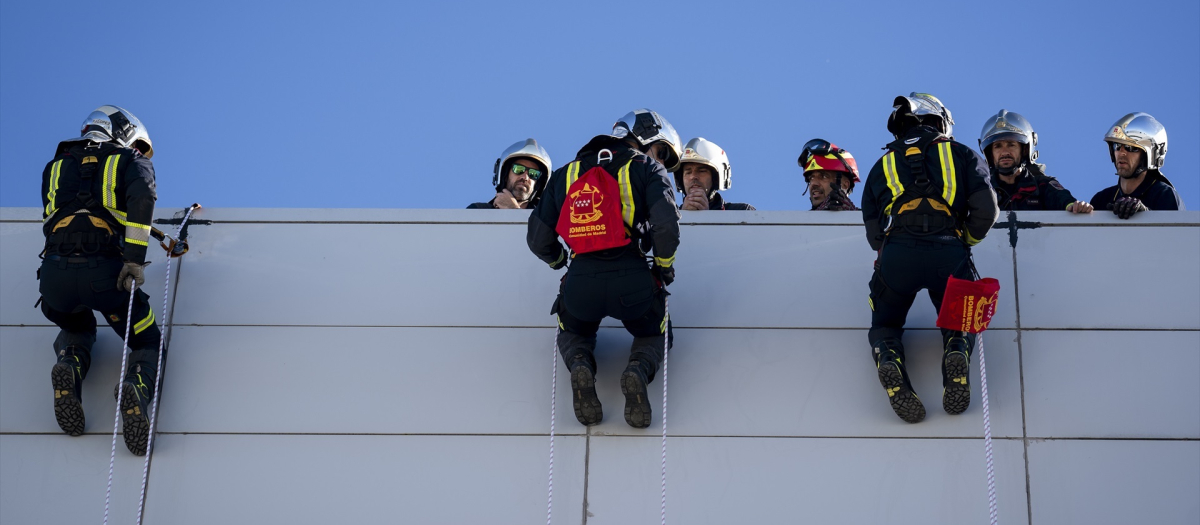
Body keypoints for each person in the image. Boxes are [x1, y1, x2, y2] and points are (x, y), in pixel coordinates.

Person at [527, 109, 681, 428]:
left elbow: (537, 237)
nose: (662, 160)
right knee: (657, 328)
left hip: (581, 283)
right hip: (634, 282)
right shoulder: (647, 167)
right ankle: (637, 369)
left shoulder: (566, 174)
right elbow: (666, 224)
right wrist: (664, 268)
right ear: (645, 139)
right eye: (662, 151)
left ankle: (580, 362)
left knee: (573, 328)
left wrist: (561, 262)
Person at [860, 93, 999, 424]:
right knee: (960, 316)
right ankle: (955, 350)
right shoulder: (963, 154)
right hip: (948, 250)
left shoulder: (881, 165)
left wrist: (893, 249)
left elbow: (873, 234)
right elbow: (987, 210)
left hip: (897, 253)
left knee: (885, 322)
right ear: (940, 121)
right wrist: (964, 239)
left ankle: (889, 356)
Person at [39, 105, 160, 455]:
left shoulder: (56, 166)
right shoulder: (130, 161)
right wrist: (134, 259)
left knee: (76, 325)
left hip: (54, 280)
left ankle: (70, 364)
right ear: (123, 131)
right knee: (147, 341)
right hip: (105, 275)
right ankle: (134, 388)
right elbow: (142, 198)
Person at [978, 110, 1092, 213]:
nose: (1004, 152)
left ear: (1025, 150)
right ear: (990, 154)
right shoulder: (982, 189)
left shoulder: (1042, 186)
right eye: (997, 146)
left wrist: (1075, 206)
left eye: (1011, 145)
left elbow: (1063, 199)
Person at [1090, 112, 1184, 218]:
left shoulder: (1164, 195)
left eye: (1130, 148)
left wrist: (1145, 215)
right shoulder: (1101, 199)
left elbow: (1175, 232)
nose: (1121, 153)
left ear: (1149, 156)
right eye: (1117, 146)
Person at [468, 138, 553, 209]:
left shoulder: (547, 221)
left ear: (538, 184)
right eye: (519, 169)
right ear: (504, 176)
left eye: (534, 174)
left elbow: (535, 229)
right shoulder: (478, 211)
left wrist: (513, 210)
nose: (525, 177)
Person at [677, 137, 754, 210]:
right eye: (688, 172)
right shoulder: (669, 218)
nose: (693, 176)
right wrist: (683, 216)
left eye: (702, 171)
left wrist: (707, 217)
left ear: (716, 179)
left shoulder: (742, 213)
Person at [798, 139, 860, 211]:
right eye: (811, 178)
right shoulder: (799, 221)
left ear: (845, 185)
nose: (814, 183)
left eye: (824, 176)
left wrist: (849, 215)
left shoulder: (865, 219)